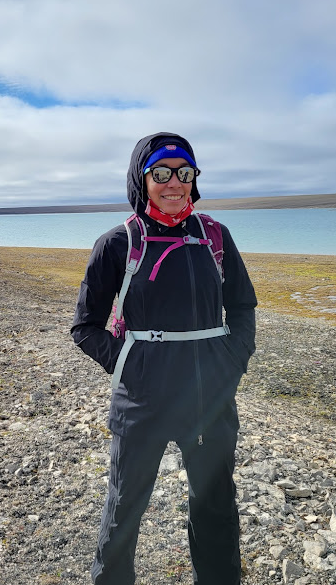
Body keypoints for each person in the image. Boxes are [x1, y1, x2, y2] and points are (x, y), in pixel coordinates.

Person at [71, 131, 257, 585]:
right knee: (123, 511)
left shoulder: (214, 236)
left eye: (184, 173)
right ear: (142, 178)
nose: (174, 183)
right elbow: (85, 327)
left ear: (194, 180)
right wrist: (129, 365)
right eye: (161, 173)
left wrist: (229, 368)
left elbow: (243, 307)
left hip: (209, 402)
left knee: (214, 507)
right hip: (141, 402)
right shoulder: (118, 242)